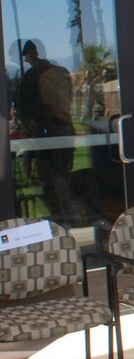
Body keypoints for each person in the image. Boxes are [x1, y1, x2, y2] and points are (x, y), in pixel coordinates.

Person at [16, 39, 75, 224]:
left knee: (54, 180)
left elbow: (51, 107)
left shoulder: (42, 75)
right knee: (59, 178)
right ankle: (63, 218)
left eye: (27, 56)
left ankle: (62, 219)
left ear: (31, 54)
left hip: (50, 133)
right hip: (58, 132)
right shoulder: (60, 72)